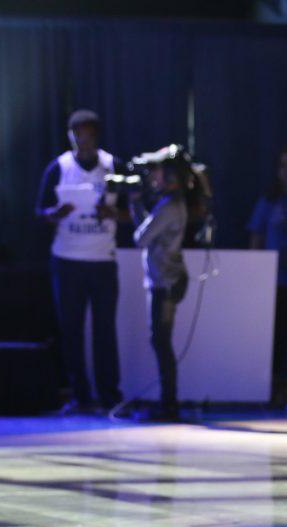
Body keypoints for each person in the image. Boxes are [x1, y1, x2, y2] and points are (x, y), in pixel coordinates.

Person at [36, 109, 124, 414]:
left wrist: (111, 213)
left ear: (95, 136)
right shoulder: (59, 167)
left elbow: (129, 210)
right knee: (71, 330)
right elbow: (40, 211)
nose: (82, 141)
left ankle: (110, 394)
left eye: (87, 135)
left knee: (105, 331)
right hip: (68, 259)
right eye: (76, 136)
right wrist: (58, 213)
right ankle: (80, 396)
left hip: (102, 258)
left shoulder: (112, 166)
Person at [130, 149, 193, 422]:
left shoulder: (169, 207)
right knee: (161, 341)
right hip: (166, 279)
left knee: (161, 342)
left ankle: (169, 404)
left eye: (157, 173)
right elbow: (146, 233)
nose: (152, 178)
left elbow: (141, 238)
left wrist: (134, 206)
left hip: (166, 282)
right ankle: (168, 402)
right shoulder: (169, 204)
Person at [248, 148, 287, 407]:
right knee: (277, 338)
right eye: (284, 165)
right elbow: (256, 237)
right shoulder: (269, 201)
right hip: (275, 282)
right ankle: (272, 389)